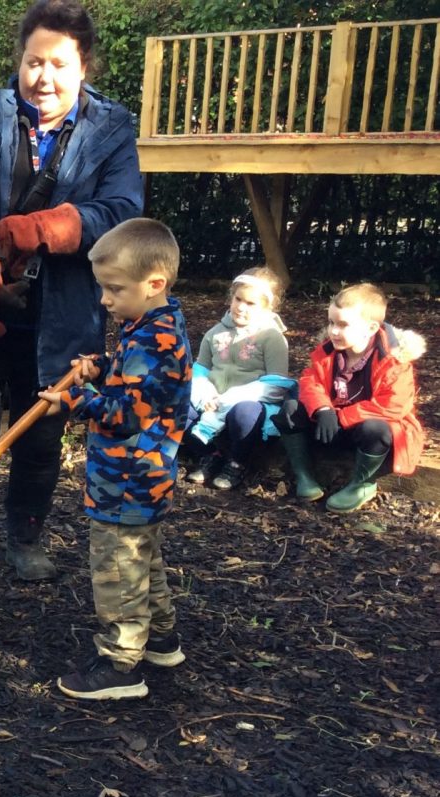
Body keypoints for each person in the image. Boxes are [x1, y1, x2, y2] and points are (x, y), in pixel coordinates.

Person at [0, 0, 143, 605]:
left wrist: (43, 229)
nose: (44, 77)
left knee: (40, 434)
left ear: (84, 66)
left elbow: (120, 212)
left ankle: (26, 539)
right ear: (20, 60)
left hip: (60, 310)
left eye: (59, 64)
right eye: (34, 61)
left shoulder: (111, 130)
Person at [37, 219, 191, 700]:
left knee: (119, 569)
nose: (105, 299)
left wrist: (74, 400)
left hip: (127, 479)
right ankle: (161, 639)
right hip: (144, 479)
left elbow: (126, 414)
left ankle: (121, 665)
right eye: (103, 288)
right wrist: (101, 368)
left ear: (154, 284)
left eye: (114, 289)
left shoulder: (150, 341)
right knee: (143, 560)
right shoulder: (153, 326)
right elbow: (136, 383)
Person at [278, 283, 427, 513]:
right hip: (331, 425)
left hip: (365, 434)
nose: (334, 331)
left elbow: (393, 405)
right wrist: (323, 409)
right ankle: (304, 476)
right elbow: (310, 380)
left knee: (376, 429)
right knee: (290, 409)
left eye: (343, 325)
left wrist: (342, 416)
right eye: (331, 323)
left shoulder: (394, 360)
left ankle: (362, 484)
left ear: (371, 328)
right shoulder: (328, 351)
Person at [185, 267, 295, 490]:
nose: (241, 307)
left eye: (251, 303)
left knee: (245, 413)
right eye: (238, 299)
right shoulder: (215, 333)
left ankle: (237, 462)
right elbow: (200, 371)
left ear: (268, 306)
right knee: (177, 405)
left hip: (248, 402)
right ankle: (209, 454)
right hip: (212, 401)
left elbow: (277, 384)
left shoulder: (271, 337)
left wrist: (233, 397)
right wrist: (205, 395)